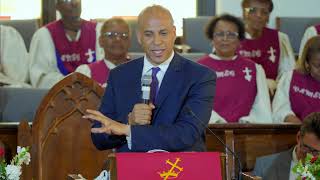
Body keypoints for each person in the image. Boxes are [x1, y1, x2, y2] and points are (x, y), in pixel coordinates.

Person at [84, 5, 216, 152]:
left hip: (180, 169)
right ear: (139, 37)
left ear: (174, 33)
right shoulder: (119, 75)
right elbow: (99, 138)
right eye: (149, 34)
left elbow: (186, 134)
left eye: (163, 33)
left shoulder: (200, 76)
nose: (157, 41)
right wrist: (129, 121)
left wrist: (128, 130)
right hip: (132, 170)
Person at [198, 14, 272, 123]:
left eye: (231, 34)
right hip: (210, 132)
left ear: (239, 40)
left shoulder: (254, 68)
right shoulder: (199, 69)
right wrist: (218, 123)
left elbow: (262, 107)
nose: (225, 39)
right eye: (220, 34)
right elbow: (196, 106)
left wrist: (246, 123)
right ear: (212, 38)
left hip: (247, 132)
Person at [29, 0, 104, 88]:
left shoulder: (98, 31)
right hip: (59, 95)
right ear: (57, 6)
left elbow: (106, 68)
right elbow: (40, 78)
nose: (74, 3)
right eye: (67, 0)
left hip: (95, 93)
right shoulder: (44, 35)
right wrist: (71, 85)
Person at [238, 0, 295, 95]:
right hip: (239, 94)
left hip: (272, 93)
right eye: (253, 10)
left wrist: (277, 87)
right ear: (244, 14)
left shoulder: (280, 38)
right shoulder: (229, 38)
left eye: (264, 12)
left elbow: (288, 74)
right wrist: (262, 83)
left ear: (268, 17)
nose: (259, 15)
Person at [253, 112, 320, 180]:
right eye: (306, 147)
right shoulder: (264, 166)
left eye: (316, 151)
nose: (310, 155)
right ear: (298, 137)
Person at [272, 36, 320, 123]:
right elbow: (279, 110)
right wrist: (300, 127)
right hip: (295, 131)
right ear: (307, 63)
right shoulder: (290, 78)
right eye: (317, 66)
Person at [76, 18, 131, 87]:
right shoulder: (85, 73)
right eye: (111, 35)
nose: (118, 39)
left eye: (123, 35)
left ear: (129, 42)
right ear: (100, 41)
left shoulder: (141, 71)